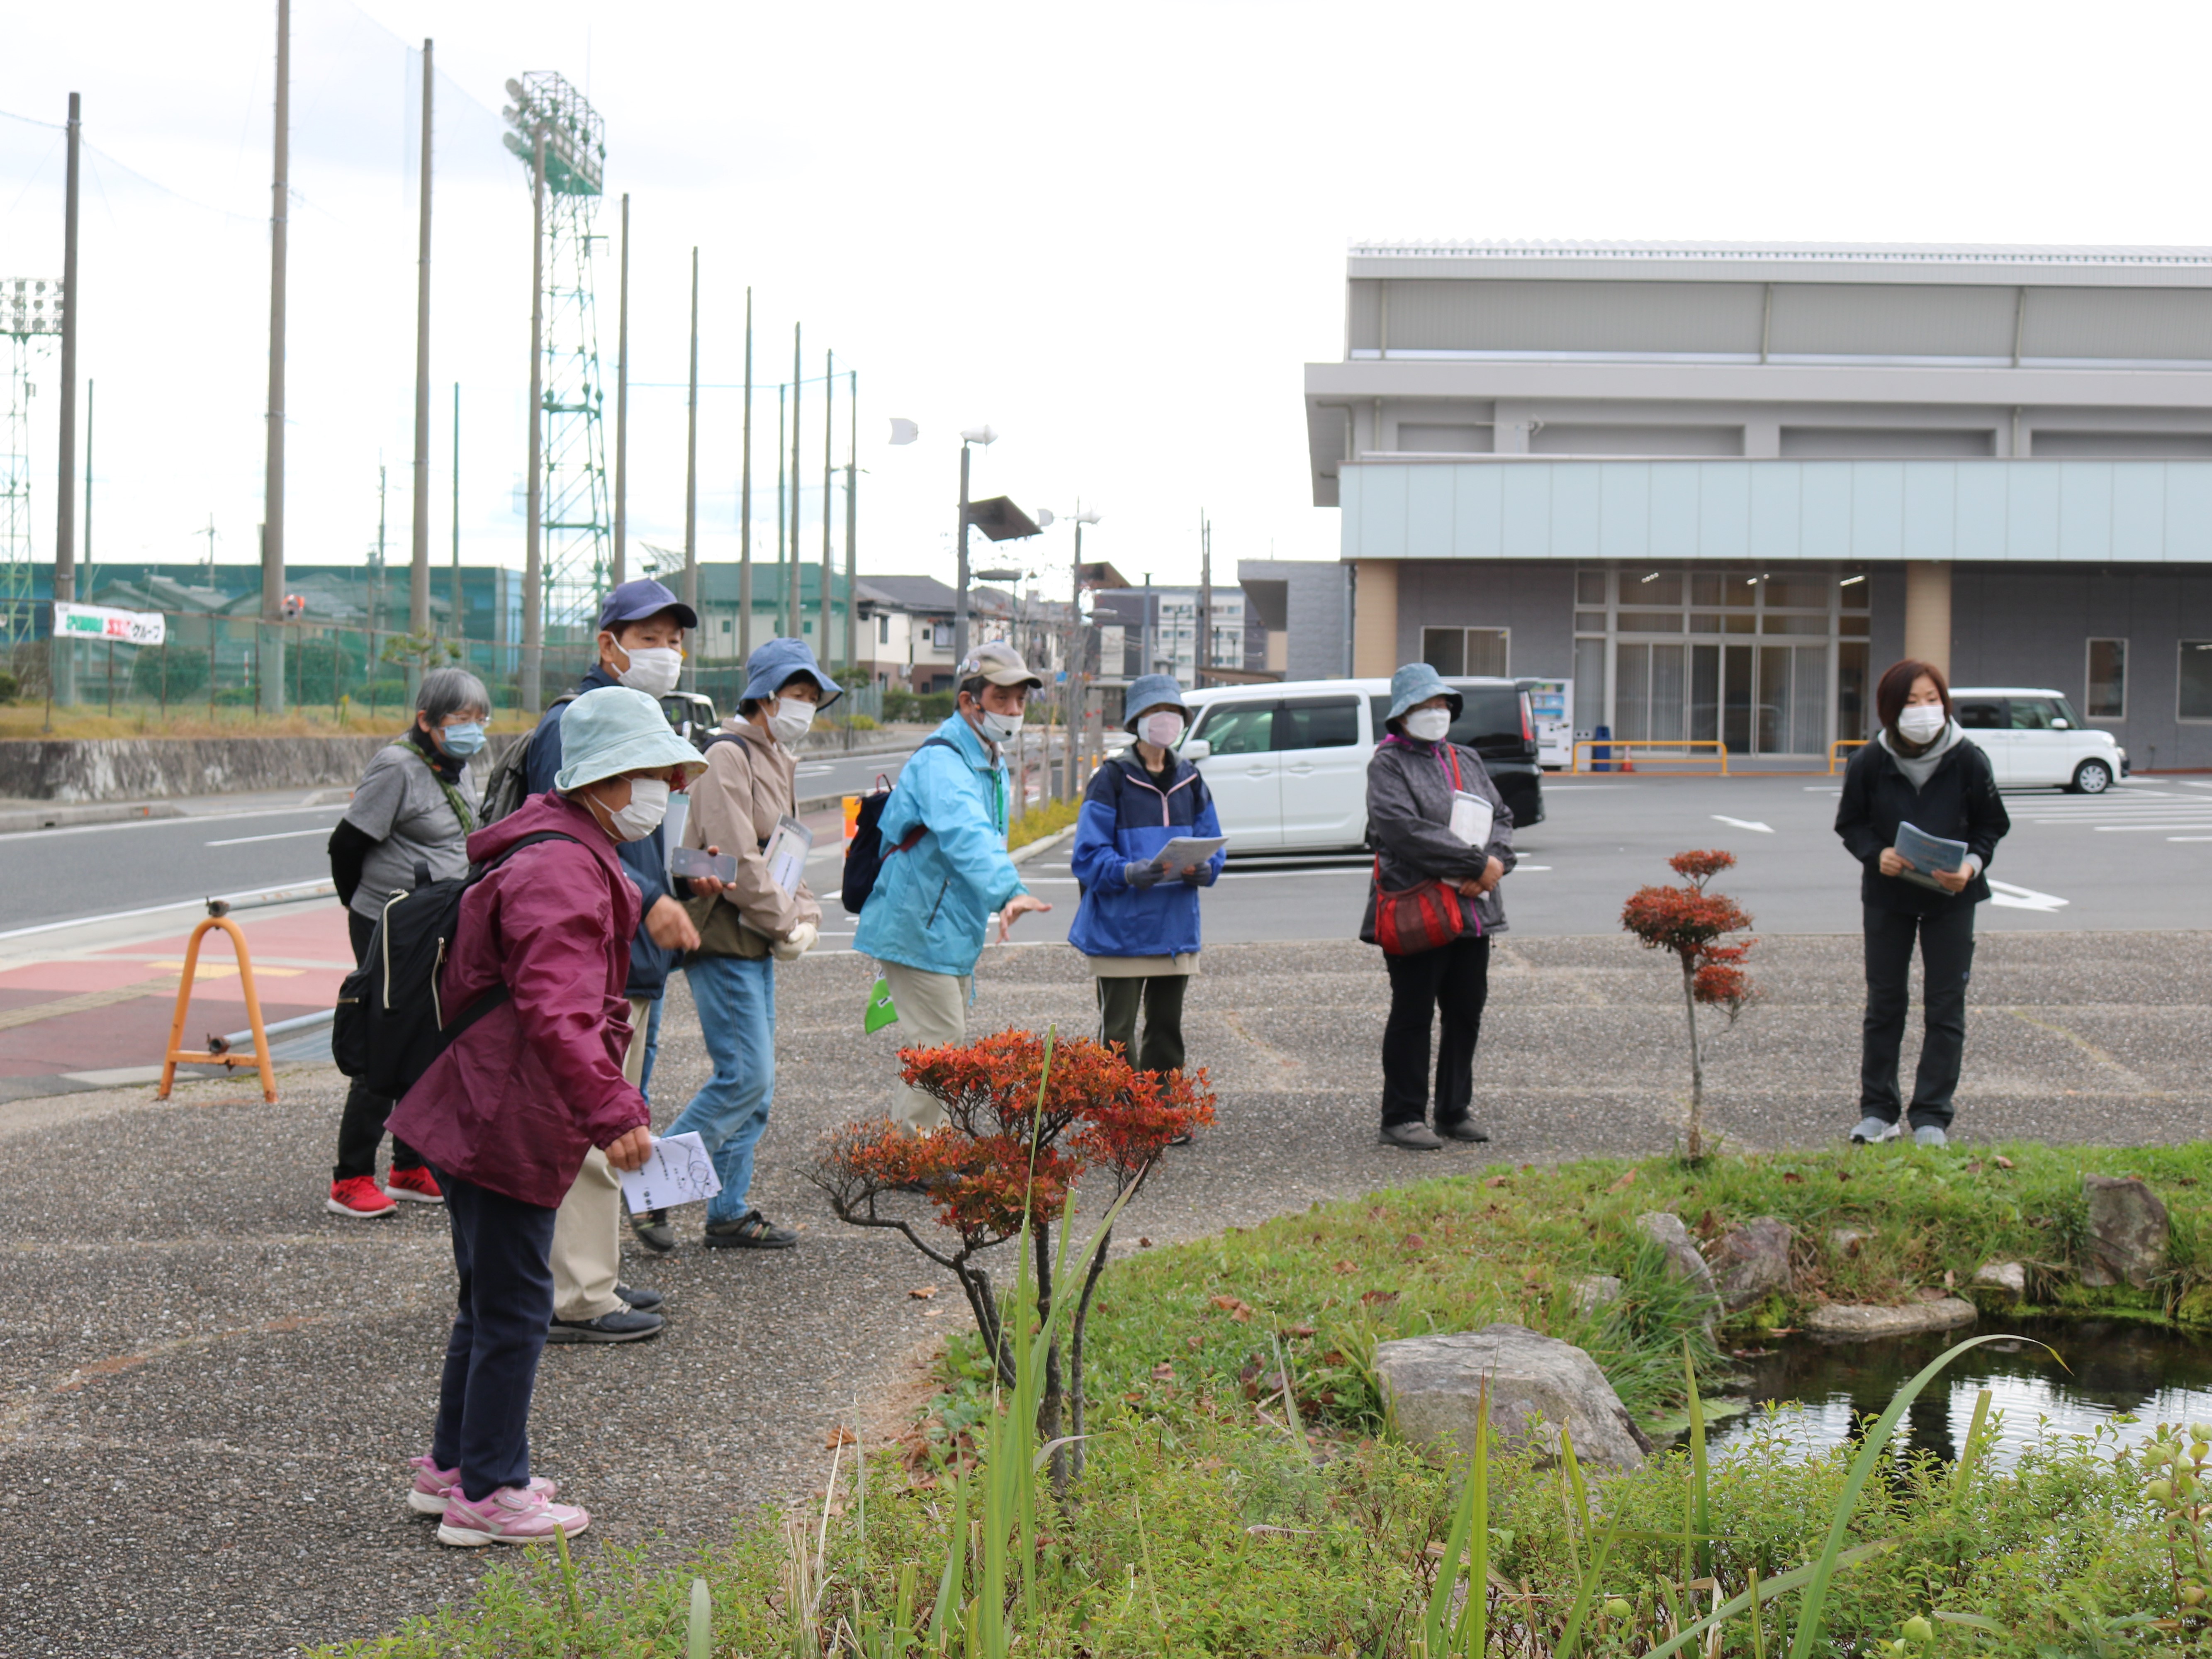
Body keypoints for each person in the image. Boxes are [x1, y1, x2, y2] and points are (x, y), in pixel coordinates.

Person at [385, 685, 707, 1546]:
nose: (664, 791)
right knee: (520, 1301)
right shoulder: (563, 865)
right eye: (651, 773)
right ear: (603, 777)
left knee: (489, 1296)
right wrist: (613, 1105)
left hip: (483, 1098)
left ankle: (453, 1466)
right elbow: (556, 1007)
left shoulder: (556, 843)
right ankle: (489, 1492)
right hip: (504, 1107)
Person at [522, 577, 724, 1341]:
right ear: (606, 645)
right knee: (591, 1123)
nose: (666, 653)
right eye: (648, 638)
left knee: (615, 1116)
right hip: (595, 953)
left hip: (631, 952)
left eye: (674, 640)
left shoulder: (635, 716)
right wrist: (646, 899)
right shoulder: (575, 725)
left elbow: (627, 837)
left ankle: (593, 1271)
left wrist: (671, 880)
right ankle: (578, 1294)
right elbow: (563, 840)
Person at [633, 637, 837, 1255]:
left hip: (754, 935)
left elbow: (788, 853)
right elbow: (739, 861)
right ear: (766, 695)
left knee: (758, 1082)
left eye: (811, 697)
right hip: (725, 933)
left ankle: (729, 1210)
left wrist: (804, 914)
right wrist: (786, 922)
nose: (804, 706)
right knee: (745, 1076)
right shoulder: (729, 755)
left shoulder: (777, 756)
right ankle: (650, 1190)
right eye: (796, 694)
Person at [852, 641, 1055, 1129]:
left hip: (941, 925)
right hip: (919, 925)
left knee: (940, 1041)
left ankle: (923, 1147)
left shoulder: (985, 753)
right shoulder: (944, 762)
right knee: (938, 1044)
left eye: (1020, 701)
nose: (1012, 710)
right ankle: (917, 1153)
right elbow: (968, 833)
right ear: (969, 701)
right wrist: (1009, 891)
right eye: (1002, 698)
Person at [323, 668, 491, 1219]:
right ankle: (349, 1178)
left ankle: (409, 1165)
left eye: (478, 719)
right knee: (383, 1041)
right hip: (389, 924)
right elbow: (346, 846)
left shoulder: (455, 764)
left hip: (432, 925)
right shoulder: (397, 767)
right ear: (426, 720)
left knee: (429, 1041)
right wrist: (367, 911)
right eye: (459, 720)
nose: (472, 729)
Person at [1835, 658, 2011, 1149]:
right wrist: (1877, 855)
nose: (1924, 710)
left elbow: (1991, 825)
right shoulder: (1870, 760)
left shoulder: (1968, 758)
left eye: (1931, 699)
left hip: (1951, 899)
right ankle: (1878, 1112)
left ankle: (1931, 1116)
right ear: (1890, 709)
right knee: (1884, 1004)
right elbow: (1850, 823)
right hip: (1888, 897)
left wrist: (1970, 867)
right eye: (1911, 702)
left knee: (1944, 1007)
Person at [1361, 662, 1516, 1151]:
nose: (1436, 713)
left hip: (1473, 911)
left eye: (1441, 703)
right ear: (1402, 714)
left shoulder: (1465, 758)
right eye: (1424, 706)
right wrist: (1475, 864)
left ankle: (1453, 1109)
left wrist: (1495, 863)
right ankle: (1401, 1115)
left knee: (1465, 1010)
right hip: (1418, 909)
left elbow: (1502, 816)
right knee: (1412, 1013)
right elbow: (1401, 828)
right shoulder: (1387, 764)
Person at [1067, 673, 1224, 1083]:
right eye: (1156, 711)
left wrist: (1207, 867)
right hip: (1119, 930)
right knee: (1116, 1036)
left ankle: (1161, 1114)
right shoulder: (1111, 778)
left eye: (1172, 712)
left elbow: (1212, 841)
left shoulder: (1190, 777)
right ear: (1136, 719)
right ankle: (1121, 1122)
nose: (1165, 720)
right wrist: (1126, 871)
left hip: (1174, 927)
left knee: (1166, 1029)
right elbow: (1087, 854)